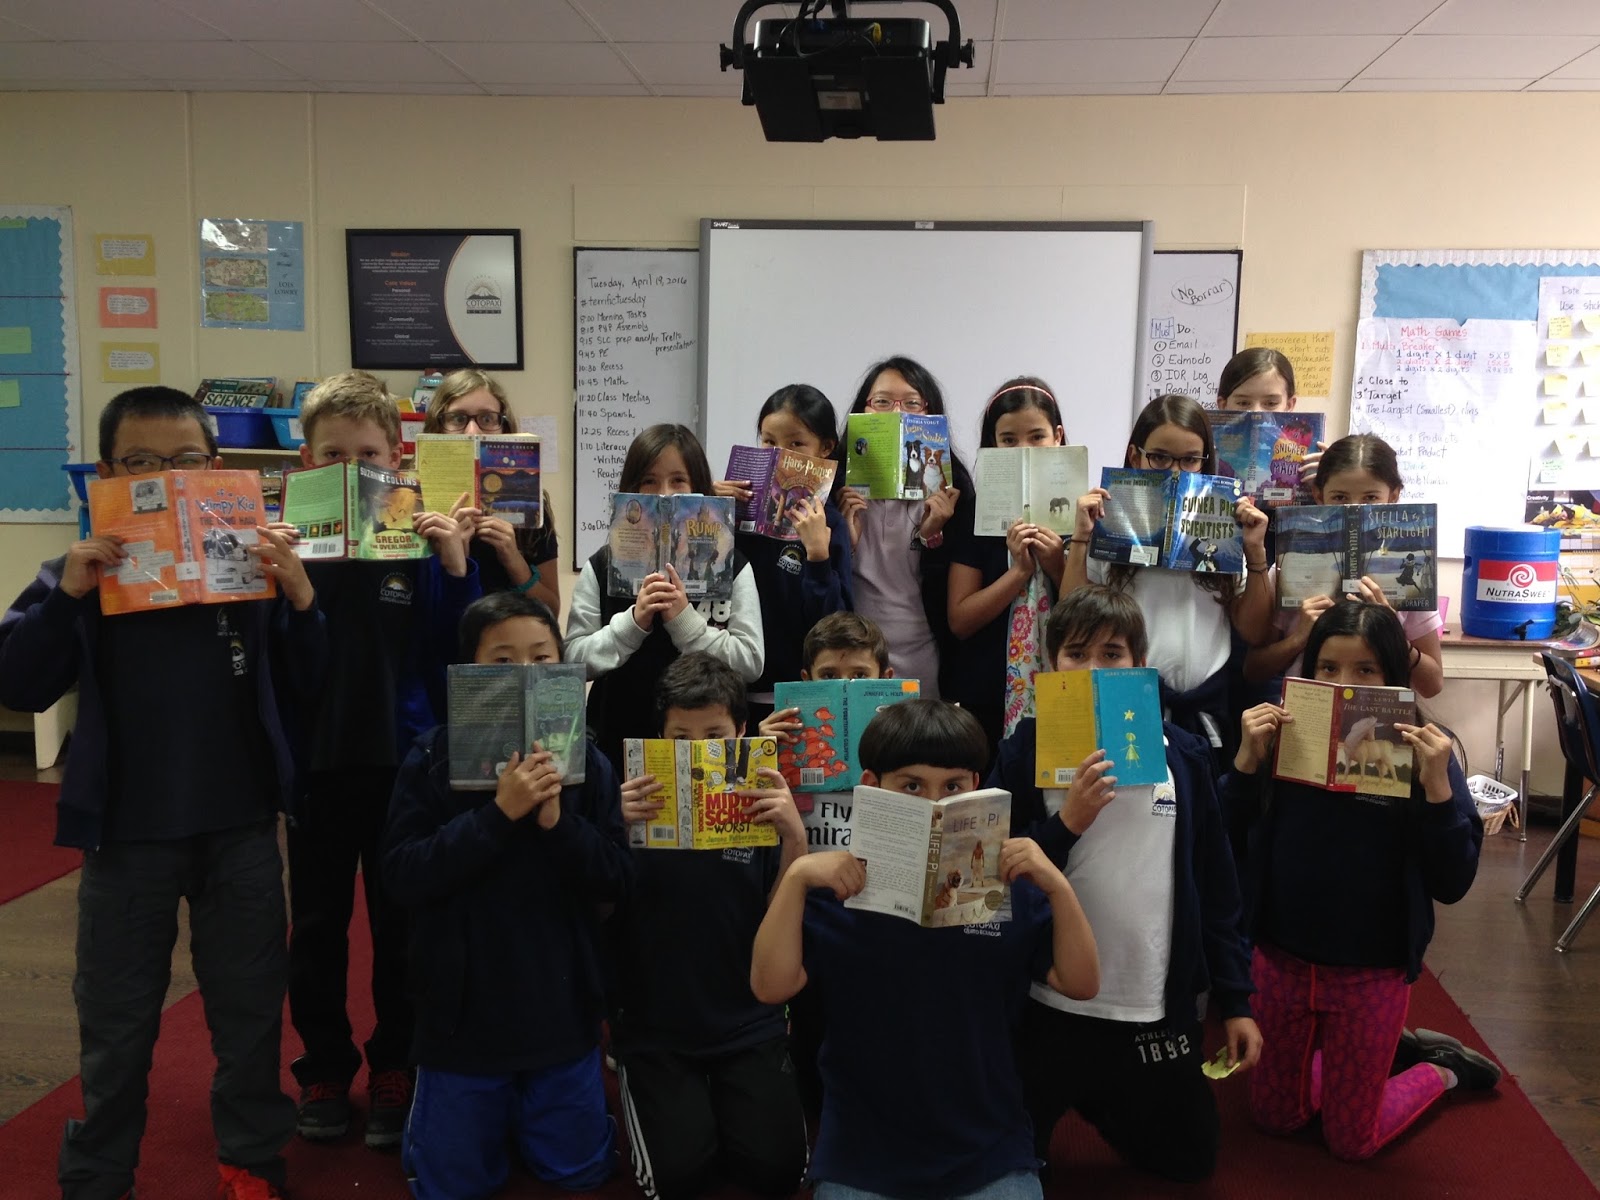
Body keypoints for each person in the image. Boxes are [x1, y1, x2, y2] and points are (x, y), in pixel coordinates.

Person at [0, 385, 323, 1200]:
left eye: (187, 461)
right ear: (106, 474)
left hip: (240, 824)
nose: (168, 478)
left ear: (215, 468)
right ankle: (100, 1171)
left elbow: (311, 689)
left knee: (250, 1009)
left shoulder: (250, 565)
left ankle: (250, 1159)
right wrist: (65, 597)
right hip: (126, 833)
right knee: (116, 1021)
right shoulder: (78, 574)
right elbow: (19, 684)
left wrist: (300, 601)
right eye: (142, 462)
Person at [750, 699, 1099, 1200]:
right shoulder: (836, 889)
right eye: (912, 786)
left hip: (987, 1148)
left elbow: (1082, 983)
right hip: (861, 1151)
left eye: (952, 787)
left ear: (975, 787)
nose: (934, 803)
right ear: (871, 787)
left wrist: (1057, 885)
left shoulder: (1007, 890)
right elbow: (769, 987)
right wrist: (799, 875)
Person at [988, 586, 1260, 1182]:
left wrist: (1236, 1001)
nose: (1092, 670)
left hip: (1150, 1006)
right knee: (1008, 1165)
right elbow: (990, 872)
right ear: (1051, 664)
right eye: (1075, 654)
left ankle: (1107, 1096)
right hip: (1049, 1002)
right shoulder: (1025, 749)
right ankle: (1072, 1091)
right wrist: (1066, 824)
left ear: (1140, 665)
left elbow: (1218, 889)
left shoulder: (1183, 757)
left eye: (1111, 655)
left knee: (1189, 1164)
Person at [1225, 600, 1497, 1161]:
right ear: (1308, 670)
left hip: (1371, 971)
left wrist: (1438, 791)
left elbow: (1453, 881)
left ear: (1394, 676)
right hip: (1282, 960)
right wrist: (1245, 765)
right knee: (1275, 1117)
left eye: (1365, 670)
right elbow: (1224, 848)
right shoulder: (1281, 735)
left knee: (1352, 1140)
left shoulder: (1426, 751)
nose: (1342, 685)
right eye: (1327, 667)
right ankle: (1370, 1057)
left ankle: (1441, 1069)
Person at [285, 370, 480, 1149]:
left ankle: (396, 1062)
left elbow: (452, 653)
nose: (350, 468)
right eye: (332, 454)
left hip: (403, 765)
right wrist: (292, 589)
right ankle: (324, 1068)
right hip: (319, 765)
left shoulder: (415, 537)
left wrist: (456, 566)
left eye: (366, 454)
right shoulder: (292, 547)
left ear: (395, 458)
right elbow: (282, 665)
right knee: (318, 927)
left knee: (402, 927)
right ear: (306, 462)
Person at [383, 591, 632, 1198]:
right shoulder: (432, 756)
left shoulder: (589, 760)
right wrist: (497, 816)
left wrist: (557, 824)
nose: (525, 674)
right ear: (468, 670)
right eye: (502, 660)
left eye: (542, 659)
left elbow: (618, 879)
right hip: (462, 1019)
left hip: (560, 1009)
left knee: (579, 1173)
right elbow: (402, 875)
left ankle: (530, 1116)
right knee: (451, 1185)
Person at [612, 652, 809, 1200]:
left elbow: (779, 918)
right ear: (661, 736)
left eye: (715, 736)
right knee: (677, 1179)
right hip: (656, 1027)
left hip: (746, 1019)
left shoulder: (760, 801)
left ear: (742, 732)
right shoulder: (632, 802)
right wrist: (610, 829)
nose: (697, 751)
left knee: (779, 1172)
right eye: (681, 738)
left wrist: (794, 839)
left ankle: (722, 1104)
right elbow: (596, 907)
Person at [1064, 393, 1273, 772]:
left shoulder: (1223, 525)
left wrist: (1255, 551)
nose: (1176, 472)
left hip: (1204, 711)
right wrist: (1081, 537)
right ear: (1135, 456)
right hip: (1128, 703)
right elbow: (1072, 617)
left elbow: (1254, 631)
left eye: (1190, 460)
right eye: (1160, 458)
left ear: (1205, 461)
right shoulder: (1109, 522)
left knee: (1201, 806)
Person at [566, 424, 763, 773]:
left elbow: (750, 662)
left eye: (678, 481)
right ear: (631, 490)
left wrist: (685, 622)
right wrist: (632, 623)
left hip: (707, 749)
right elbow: (572, 662)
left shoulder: (731, 565)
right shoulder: (603, 565)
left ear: (699, 488)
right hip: (619, 742)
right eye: (649, 481)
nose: (665, 494)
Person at [1245, 433, 1445, 700]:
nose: (1354, 508)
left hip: (1381, 713)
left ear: (1394, 496)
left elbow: (1433, 685)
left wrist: (1393, 634)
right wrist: (1299, 638)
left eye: (1370, 497)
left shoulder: (1412, 570)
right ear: (1319, 495)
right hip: (1307, 712)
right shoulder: (1287, 566)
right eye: (1339, 497)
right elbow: (1253, 670)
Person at [715, 384, 854, 722]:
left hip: (801, 692)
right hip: (730, 689)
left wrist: (818, 556)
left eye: (796, 444)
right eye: (769, 442)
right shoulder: (736, 509)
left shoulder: (829, 523)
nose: (780, 455)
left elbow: (836, 624)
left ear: (825, 448)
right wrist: (710, 508)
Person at [835, 356, 971, 697]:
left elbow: (954, 587)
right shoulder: (835, 482)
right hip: (852, 655)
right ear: (863, 410)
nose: (896, 413)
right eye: (882, 402)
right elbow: (818, 579)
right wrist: (845, 542)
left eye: (911, 403)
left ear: (931, 414)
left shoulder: (952, 489)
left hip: (925, 652)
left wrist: (931, 535)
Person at [946, 376, 1069, 750]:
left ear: (1058, 437)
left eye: (1037, 437)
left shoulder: (1079, 511)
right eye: (1009, 440)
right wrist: (1019, 573)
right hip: (986, 692)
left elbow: (1091, 612)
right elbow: (960, 620)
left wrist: (1056, 565)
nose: (1024, 450)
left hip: (1065, 688)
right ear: (993, 444)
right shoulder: (975, 514)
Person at [420, 368, 561, 613]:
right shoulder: (415, 500)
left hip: (513, 633)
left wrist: (513, 559)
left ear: (504, 427)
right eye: (458, 419)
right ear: (438, 427)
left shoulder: (531, 503)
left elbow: (551, 611)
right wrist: (453, 560)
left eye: (487, 419)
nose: (472, 431)